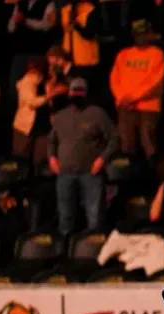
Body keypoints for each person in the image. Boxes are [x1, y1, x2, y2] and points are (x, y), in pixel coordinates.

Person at [49, 78, 117, 234]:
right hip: (65, 173)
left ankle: (92, 252)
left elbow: (114, 139)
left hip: (90, 173)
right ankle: (66, 253)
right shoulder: (60, 116)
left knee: (94, 218)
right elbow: (51, 141)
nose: (77, 94)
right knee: (65, 218)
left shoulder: (97, 114)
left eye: (80, 91)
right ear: (69, 93)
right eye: (74, 91)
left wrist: (102, 159)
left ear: (86, 93)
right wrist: (52, 158)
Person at [110, 19, 164, 159]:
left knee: (148, 142)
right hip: (124, 106)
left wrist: (133, 98)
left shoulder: (157, 54)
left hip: (148, 106)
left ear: (150, 34)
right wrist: (122, 98)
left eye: (144, 34)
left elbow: (155, 82)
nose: (141, 37)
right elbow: (114, 79)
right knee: (126, 143)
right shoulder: (123, 54)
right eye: (138, 34)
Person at [12, 59, 51, 168]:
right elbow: (32, 102)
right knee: (22, 159)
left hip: (43, 126)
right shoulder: (26, 82)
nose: (33, 72)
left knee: (41, 161)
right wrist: (49, 96)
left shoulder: (47, 82)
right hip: (25, 127)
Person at [59, 0, 100, 79]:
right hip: (67, 59)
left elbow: (90, 34)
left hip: (86, 61)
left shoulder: (90, 9)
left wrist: (75, 24)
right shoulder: (65, 9)